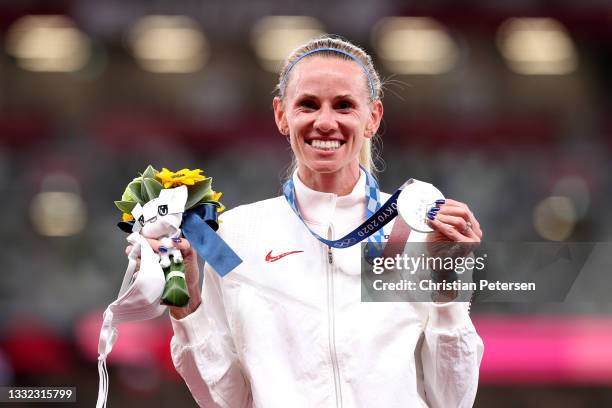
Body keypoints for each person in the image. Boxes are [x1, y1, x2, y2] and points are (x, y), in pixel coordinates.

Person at [137, 36, 484, 407]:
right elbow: (226, 401)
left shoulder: (415, 229)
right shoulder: (232, 235)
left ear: (373, 117)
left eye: (344, 105)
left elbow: (452, 400)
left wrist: (448, 286)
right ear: (282, 115)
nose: (325, 122)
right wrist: (185, 305)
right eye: (308, 105)